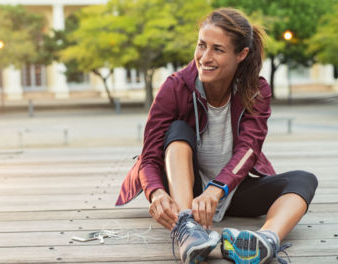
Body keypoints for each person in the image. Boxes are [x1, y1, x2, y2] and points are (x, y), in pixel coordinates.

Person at [116, 7, 318, 264]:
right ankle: (187, 228)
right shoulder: (175, 86)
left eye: (218, 49)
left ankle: (266, 241)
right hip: (186, 192)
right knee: (178, 130)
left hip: (230, 190)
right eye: (202, 45)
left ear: (241, 54)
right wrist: (156, 193)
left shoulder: (257, 91)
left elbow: (249, 149)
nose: (205, 57)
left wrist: (217, 190)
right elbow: (149, 156)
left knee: (304, 180)